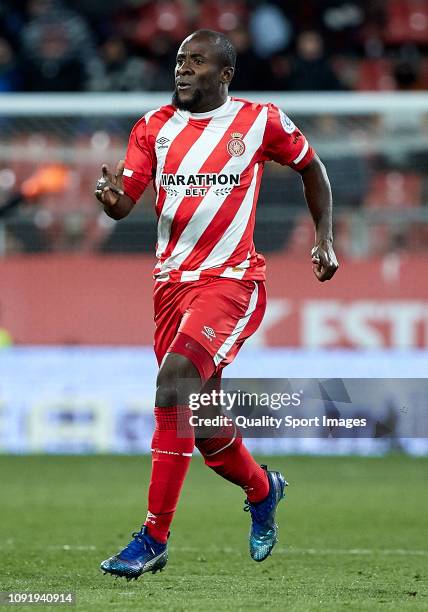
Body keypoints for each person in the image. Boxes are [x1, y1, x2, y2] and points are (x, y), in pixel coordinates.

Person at [95, 29, 338, 581]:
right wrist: (112, 200)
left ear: (224, 74)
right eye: (180, 60)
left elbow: (312, 168)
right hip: (170, 287)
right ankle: (263, 488)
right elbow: (125, 200)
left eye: (197, 61)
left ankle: (153, 537)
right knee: (201, 425)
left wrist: (324, 237)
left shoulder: (260, 122)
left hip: (232, 282)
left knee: (173, 383)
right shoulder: (152, 128)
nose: (182, 69)